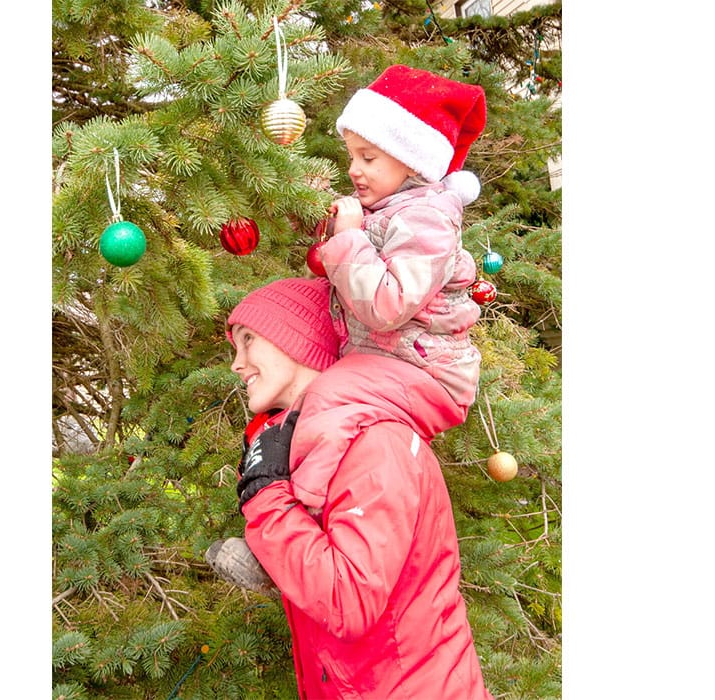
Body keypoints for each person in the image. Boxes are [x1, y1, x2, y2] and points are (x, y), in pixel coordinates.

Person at [210, 275, 494, 699]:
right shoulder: (318, 444)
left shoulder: (375, 442)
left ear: (296, 339)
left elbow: (348, 602)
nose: (237, 363)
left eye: (249, 340)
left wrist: (265, 495)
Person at [291, 64, 489, 511]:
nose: (354, 169)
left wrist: (348, 238)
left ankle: (300, 514)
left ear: (411, 160)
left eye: (368, 157)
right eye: (352, 155)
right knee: (318, 397)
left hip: (430, 374)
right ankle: (320, 507)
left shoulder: (428, 218)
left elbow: (388, 305)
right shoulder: (388, 212)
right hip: (390, 362)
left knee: (329, 397)